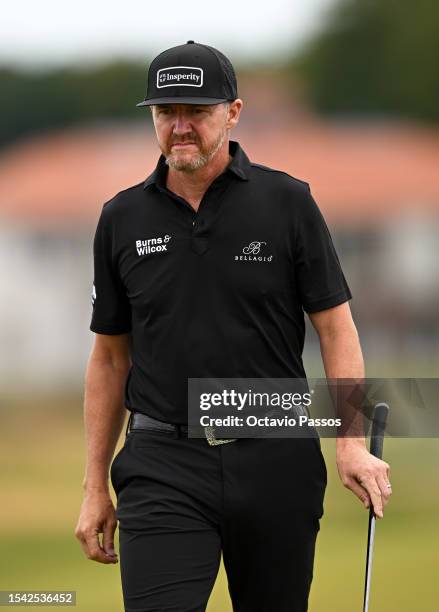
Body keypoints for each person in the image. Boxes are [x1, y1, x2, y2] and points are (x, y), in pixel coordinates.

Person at [75, 40, 392, 612]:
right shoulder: (121, 218)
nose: (180, 126)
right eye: (166, 112)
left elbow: (336, 329)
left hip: (276, 456)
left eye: (196, 111)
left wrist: (349, 443)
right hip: (160, 462)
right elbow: (110, 358)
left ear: (233, 112)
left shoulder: (288, 203)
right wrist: (94, 483)